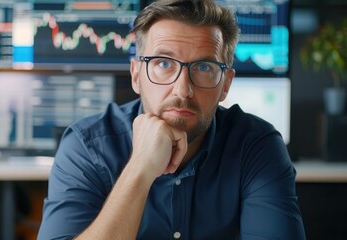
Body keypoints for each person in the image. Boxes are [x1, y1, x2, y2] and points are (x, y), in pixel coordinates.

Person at [37, 0, 306, 239]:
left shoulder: (257, 146)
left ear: (225, 85)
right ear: (136, 75)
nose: (182, 90)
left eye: (204, 68)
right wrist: (140, 168)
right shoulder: (86, 146)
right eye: (164, 64)